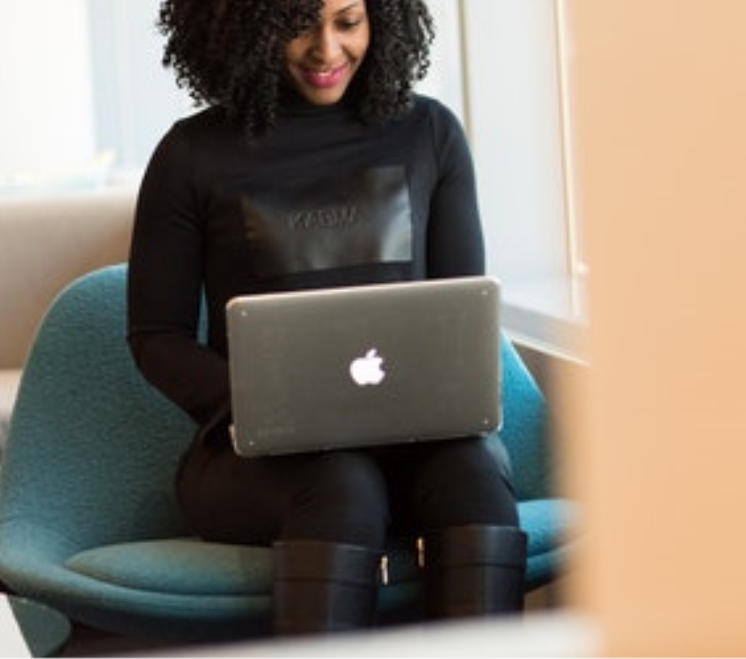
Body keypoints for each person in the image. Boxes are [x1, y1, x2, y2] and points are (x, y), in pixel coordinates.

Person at [127, 0, 526, 635]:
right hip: (260, 463)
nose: (327, 49)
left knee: (473, 475)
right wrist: (265, 404)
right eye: (298, 24)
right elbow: (157, 338)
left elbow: (460, 319)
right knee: (343, 482)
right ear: (250, 26)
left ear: (381, 20)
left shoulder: (431, 134)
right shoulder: (191, 155)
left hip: (417, 446)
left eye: (348, 21)